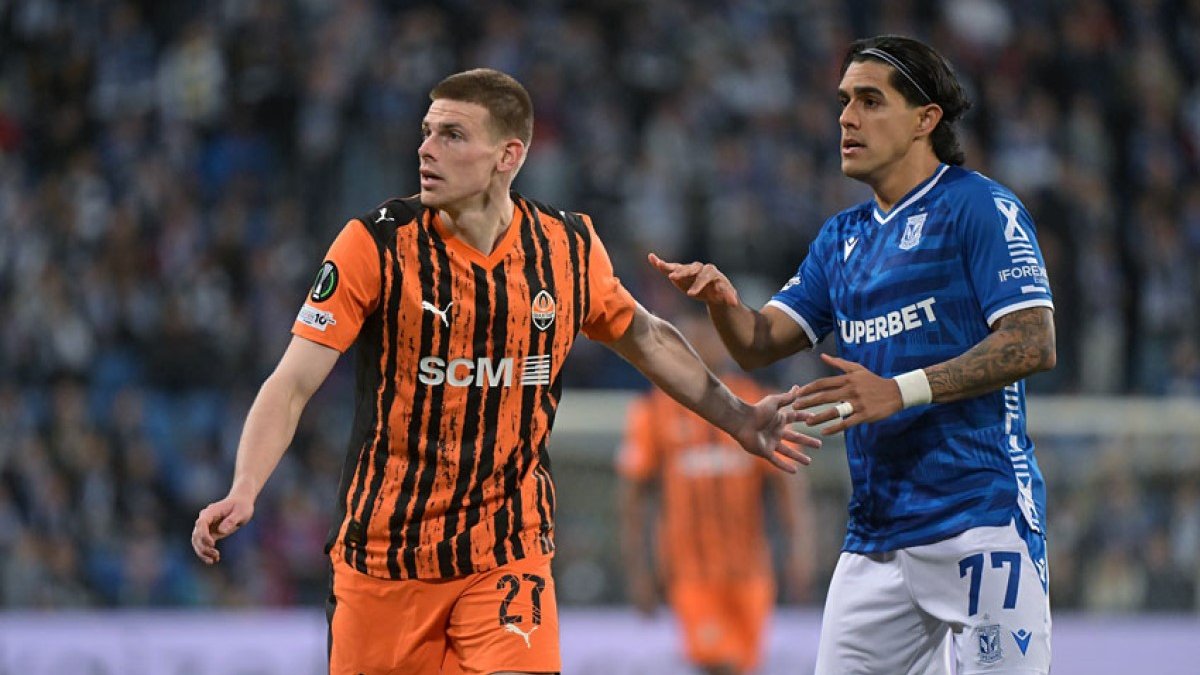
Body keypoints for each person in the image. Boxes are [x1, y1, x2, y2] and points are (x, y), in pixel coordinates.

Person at [190, 68, 819, 675]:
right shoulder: (375, 244)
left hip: (507, 550)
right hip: (384, 558)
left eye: (452, 135)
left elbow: (648, 338)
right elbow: (292, 383)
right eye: (427, 132)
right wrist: (245, 486)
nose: (426, 149)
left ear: (508, 156)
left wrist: (740, 419)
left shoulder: (566, 248)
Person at [650, 35, 1056, 675]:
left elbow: (1033, 340)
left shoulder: (981, 207)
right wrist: (724, 303)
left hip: (982, 520)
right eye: (843, 102)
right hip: (877, 539)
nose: (846, 118)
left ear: (925, 119)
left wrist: (900, 390)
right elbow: (758, 344)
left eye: (870, 101)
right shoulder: (842, 238)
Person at [616, 313, 816, 675]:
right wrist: (639, 570)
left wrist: (800, 548)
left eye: (709, 335)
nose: (702, 344)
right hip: (690, 572)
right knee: (718, 665)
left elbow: (787, 484)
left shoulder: (753, 403)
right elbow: (634, 498)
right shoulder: (653, 409)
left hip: (751, 571)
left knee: (743, 666)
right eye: (692, 335)